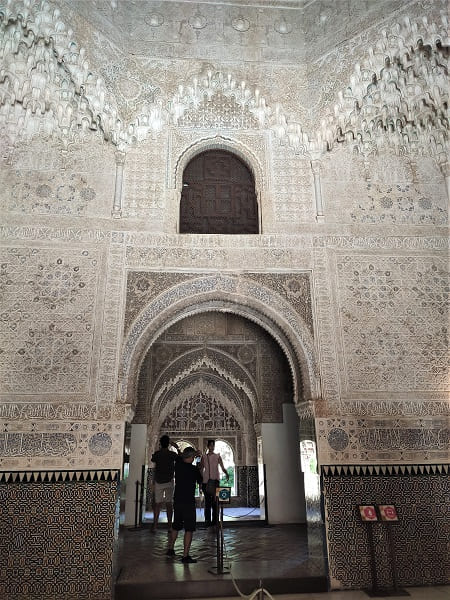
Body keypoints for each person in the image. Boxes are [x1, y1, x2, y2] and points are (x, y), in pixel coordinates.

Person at [167, 446, 203, 564]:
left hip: (177, 500)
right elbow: (201, 481)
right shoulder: (194, 470)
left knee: (176, 525)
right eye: (193, 457)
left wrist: (192, 453)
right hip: (188, 502)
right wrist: (199, 463)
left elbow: (179, 456)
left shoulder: (178, 465)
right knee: (189, 529)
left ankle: (171, 549)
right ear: (192, 457)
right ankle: (185, 555)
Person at [150, 435, 180, 531]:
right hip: (169, 481)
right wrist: (176, 447)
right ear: (168, 444)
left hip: (158, 481)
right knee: (169, 504)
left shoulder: (157, 454)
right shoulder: (172, 454)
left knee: (157, 504)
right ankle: (170, 526)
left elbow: (152, 459)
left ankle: (155, 526)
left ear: (160, 444)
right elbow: (180, 457)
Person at [200, 439, 229, 528]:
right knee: (208, 503)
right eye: (210, 445)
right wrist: (201, 480)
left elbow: (222, 467)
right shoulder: (204, 457)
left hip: (216, 481)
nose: (212, 447)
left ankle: (215, 521)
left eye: (213, 446)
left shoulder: (217, 456)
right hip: (206, 482)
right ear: (208, 446)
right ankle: (207, 521)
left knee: (215, 502)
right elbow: (201, 468)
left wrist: (226, 473)